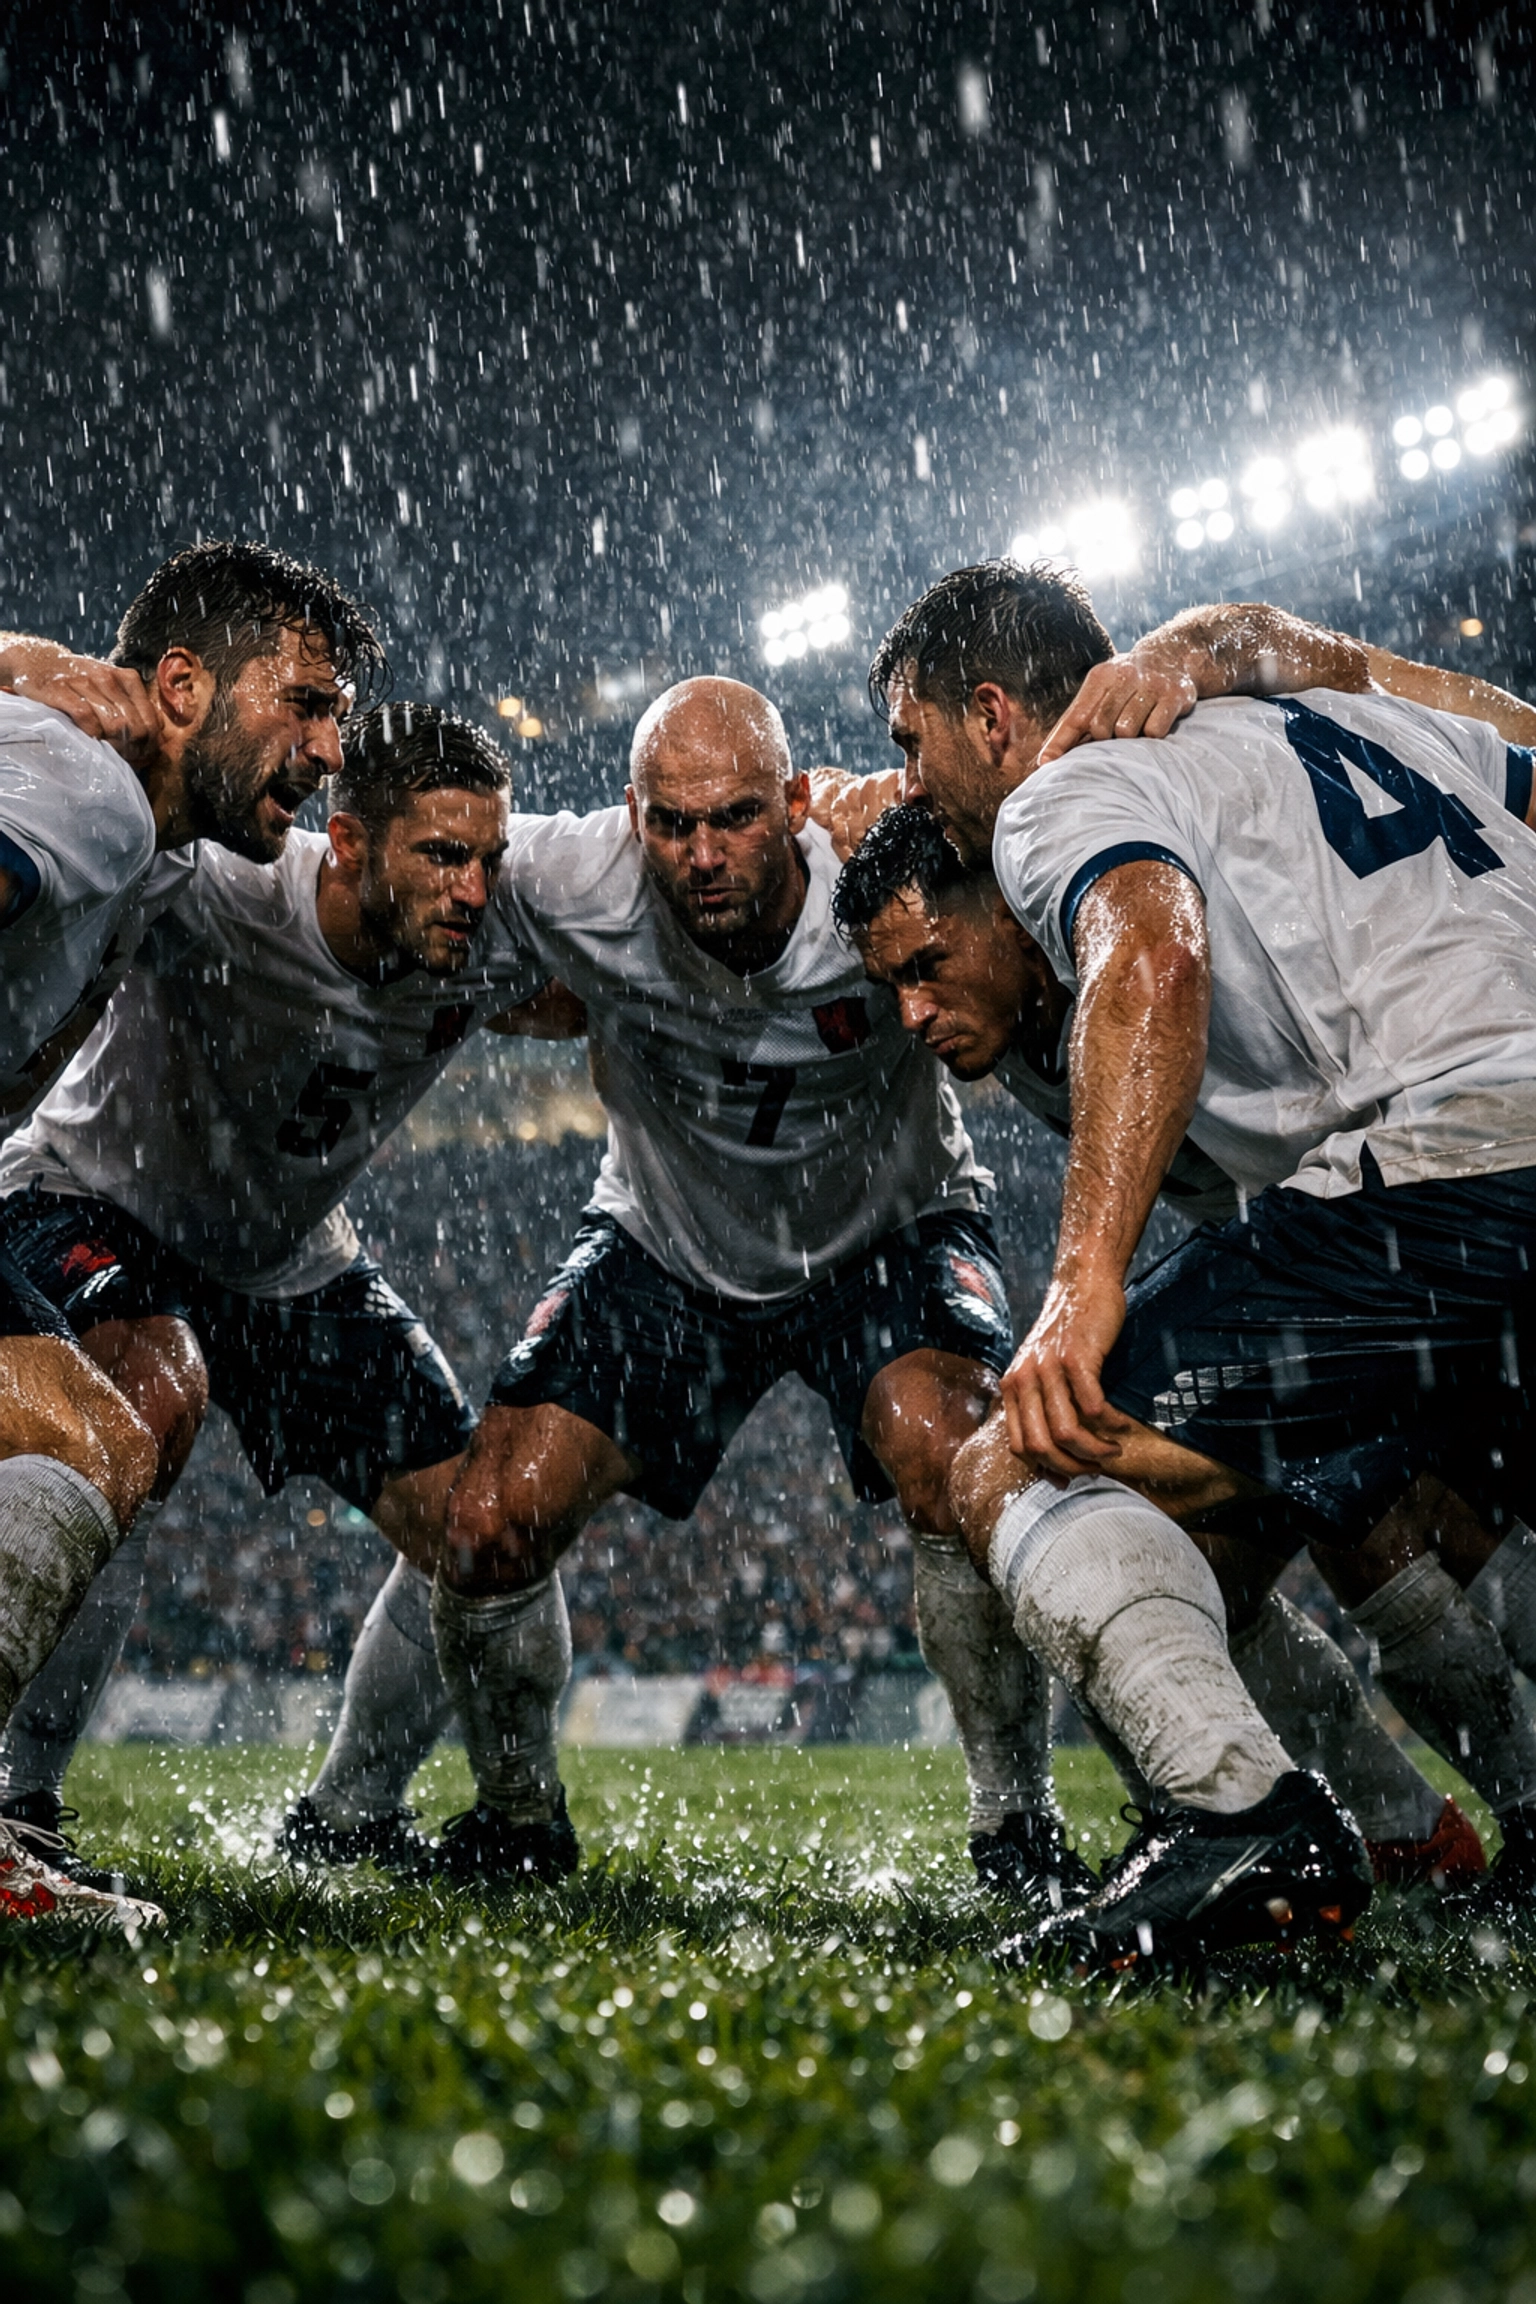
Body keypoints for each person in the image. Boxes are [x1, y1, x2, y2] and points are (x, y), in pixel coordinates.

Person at [871, 556, 1536, 1966]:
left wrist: (1081, 1283)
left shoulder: (1061, 793)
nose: (909, 781)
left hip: (1443, 1166)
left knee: (1017, 1460)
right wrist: (1269, 641)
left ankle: (1244, 1823)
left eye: (909, 741)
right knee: (1355, 1513)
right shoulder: (1374, 726)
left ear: (993, 715)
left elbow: (1151, 967)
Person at [420, 673, 1094, 1911]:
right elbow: (409, 891)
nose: (702, 855)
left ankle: (1017, 1821)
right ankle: (516, 1819)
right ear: (633, 818)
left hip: (882, 1233)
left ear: (796, 803)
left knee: (957, 1460)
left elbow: (1038, 848)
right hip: (669, 1246)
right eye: (671, 826)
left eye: (735, 818)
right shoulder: (575, 879)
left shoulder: (881, 876)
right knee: (485, 1522)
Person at [0, 702, 563, 1886]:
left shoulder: (497, 938)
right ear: (350, 842)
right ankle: (24, 1803)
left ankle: (363, 1812)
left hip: (287, 1261)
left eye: (490, 860)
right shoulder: (222, 889)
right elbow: (89, 876)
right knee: (132, 1417)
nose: (474, 889)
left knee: (485, 1527)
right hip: (94, 1201)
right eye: (442, 856)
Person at [0, 540, 381, 1924]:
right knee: (89, 1433)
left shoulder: (150, 848)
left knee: (104, 1429)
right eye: (305, 704)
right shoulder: (92, 800)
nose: (330, 748)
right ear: (177, 687)